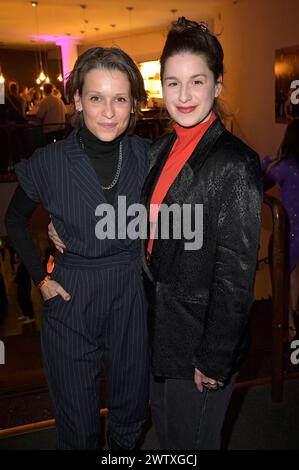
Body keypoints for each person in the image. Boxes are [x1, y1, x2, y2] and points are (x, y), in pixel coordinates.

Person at [5, 47, 150, 450]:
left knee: (131, 412)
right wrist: (41, 278)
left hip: (129, 293)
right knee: (78, 425)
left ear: (134, 104)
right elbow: (14, 220)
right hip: (71, 296)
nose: (108, 111)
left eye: (120, 98)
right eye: (96, 97)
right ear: (76, 101)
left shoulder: (146, 156)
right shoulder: (49, 161)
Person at [140, 17, 262, 450]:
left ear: (218, 85)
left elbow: (236, 276)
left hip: (200, 345)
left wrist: (214, 358)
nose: (184, 95)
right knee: (169, 442)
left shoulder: (235, 162)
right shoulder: (159, 148)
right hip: (161, 336)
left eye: (197, 81)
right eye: (172, 83)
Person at [262, 119, 299, 341]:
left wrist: (268, 163)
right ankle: (293, 321)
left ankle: (289, 328)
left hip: (290, 233)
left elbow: (260, 182)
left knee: (282, 281)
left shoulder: (284, 167)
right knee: (294, 277)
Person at [13, 253, 35, 324]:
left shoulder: (23, 266)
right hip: (22, 286)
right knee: (21, 300)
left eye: (16, 257)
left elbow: (21, 277)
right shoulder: (20, 265)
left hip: (24, 286)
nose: (15, 259)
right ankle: (25, 314)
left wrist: (14, 280)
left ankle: (31, 317)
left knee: (26, 300)